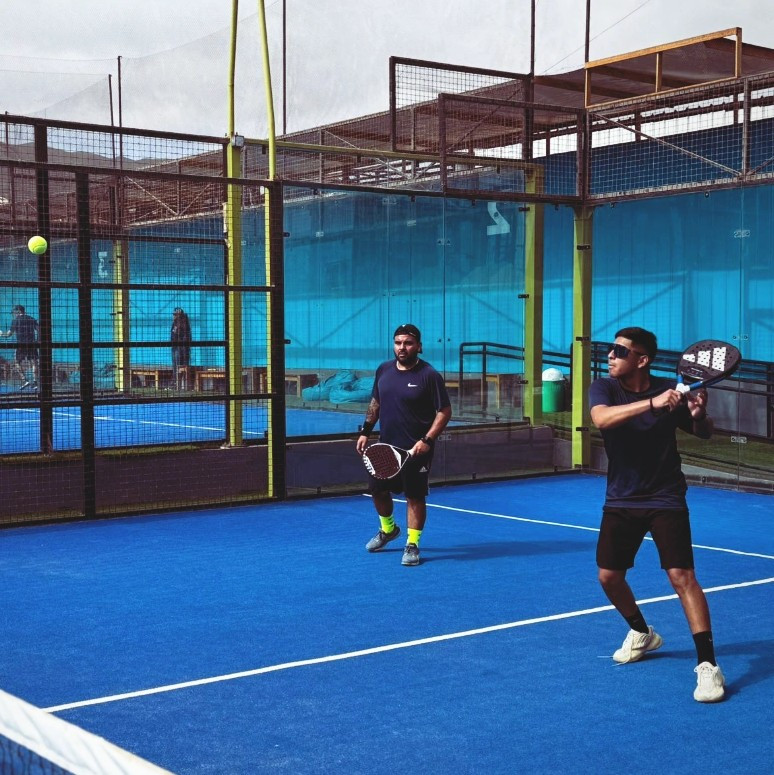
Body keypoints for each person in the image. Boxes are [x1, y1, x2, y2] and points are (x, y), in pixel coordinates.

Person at [589, 326, 724, 703]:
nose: (610, 356)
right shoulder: (604, 388)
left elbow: (704, 432)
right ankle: (641, 632)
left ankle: (708, 665)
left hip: (666, 496)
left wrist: (698, 414)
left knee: (682, 576)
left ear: (642, 360)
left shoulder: (671, 390)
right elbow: (601, 419)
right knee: (609, 577)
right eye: (611, 349)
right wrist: (653, 403)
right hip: (621, 498)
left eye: (620, 351)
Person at [356, 324, 452, 566]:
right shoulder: (384, 370)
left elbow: (444, 411)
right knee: (377, 491)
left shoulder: (429, 375)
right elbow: (376, 402)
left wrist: (427, 440)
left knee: (414, 496)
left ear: (419, 346)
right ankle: (388, 530)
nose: (402, 347)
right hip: (385, 448)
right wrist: (366, 431)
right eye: (398, 343)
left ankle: (412, 544)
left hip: (417, 449)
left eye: (408, 343)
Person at [0, 305, 39, 389]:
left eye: (14, 312)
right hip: (32, 344)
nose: (13, 314)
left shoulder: (16, 321)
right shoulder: (31, 319)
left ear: (18, 311)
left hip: (20, 344)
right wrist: (37, 341)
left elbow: (9, 334)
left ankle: (25, 380)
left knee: (17, 362)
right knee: (34, 362)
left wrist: (1, 334)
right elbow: (39, 330)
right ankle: (35, 382)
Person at [171, 307, 191, 390]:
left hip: (179, 348)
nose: (173, 316)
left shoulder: (181, 324)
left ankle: (178, 384)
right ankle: (177, 383)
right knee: (177, 365)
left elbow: (182, 336)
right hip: (177, 347)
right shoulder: (176, 323)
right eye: (174, 314)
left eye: (175, 314)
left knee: (178, 365)